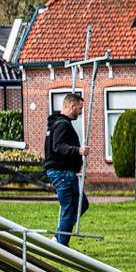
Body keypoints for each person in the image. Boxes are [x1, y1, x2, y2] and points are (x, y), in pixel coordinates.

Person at [44, 91, 90, 246]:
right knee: (70, 208)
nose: (81, 112)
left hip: (65, 172)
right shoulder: (62, 125)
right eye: (79, 108)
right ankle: (60, 243)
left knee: (81, 204)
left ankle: (58, 237)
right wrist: (78, 151)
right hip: (62, 172)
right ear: (71, 106)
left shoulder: (57, 123)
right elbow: (58, 147)